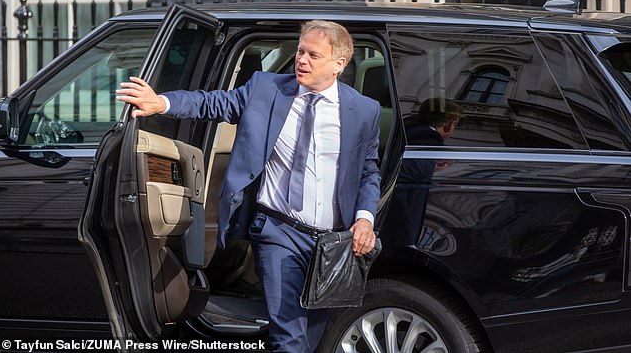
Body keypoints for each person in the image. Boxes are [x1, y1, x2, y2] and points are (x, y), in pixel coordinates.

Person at [116, 20, 381, 352]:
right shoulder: (265, 89)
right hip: (278, 231)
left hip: (331, 244)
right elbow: (212, 103)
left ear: (338, 64)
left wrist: (364, 218)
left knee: (312, 338)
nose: (302, 60)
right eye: (300, 51)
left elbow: (369, 171)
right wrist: (162, 103)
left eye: (313, 55)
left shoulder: (363, 112)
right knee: (288, 337)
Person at [381, 98, 462, 247]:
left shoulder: (411, 134)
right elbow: (399, 186)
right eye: (456, 123)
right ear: (449, 124)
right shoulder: (427, 141)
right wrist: (406, 239)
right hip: (397, 236)